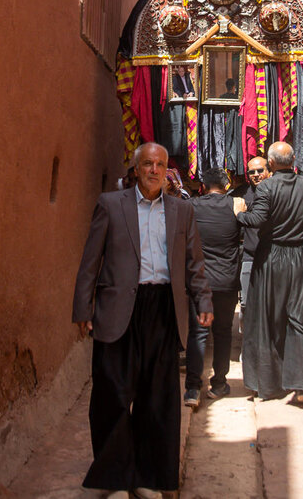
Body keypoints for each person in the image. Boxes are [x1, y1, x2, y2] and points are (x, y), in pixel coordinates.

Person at [72, 142, 213, 494]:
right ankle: (115, 478)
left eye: (160, 165)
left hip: (163, 308)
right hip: (118, 308)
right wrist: (83, 308)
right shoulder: (111, 204)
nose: (154, 170)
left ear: (167, 171)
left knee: (157, 398)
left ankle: (148, 478)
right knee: (112, 394)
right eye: (147, 164)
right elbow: (91, 259)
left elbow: (194, 261)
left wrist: (203, 299)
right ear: (136, 169)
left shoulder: (182, 210)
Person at [236, 142, 303, 401]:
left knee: (269, 319)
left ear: (271, 164)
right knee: (301, 317)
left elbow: (256, 220)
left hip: (273, 258)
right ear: (294, 159)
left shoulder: (266, 187)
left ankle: (268, 382)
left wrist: (240, 214)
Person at [183, 167, 245, 408]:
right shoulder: (235, 206)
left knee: (198, 332)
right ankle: (219, 383)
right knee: (222, 332)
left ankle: (192, 389)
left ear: (203, 187)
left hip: (200, 281)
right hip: (227, 281)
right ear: (226, 186)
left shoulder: (193, 207)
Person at [234, 156, 269, 313]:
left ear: (268, 171)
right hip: (249, 255)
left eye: (260, 170)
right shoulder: (240, 194)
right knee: (246, 303)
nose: (256, 175)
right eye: (251, 172)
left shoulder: (277, 192)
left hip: (272, 257)